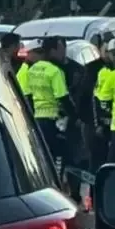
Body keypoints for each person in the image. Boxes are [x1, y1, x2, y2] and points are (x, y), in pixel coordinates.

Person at [26, 37, 80, 178]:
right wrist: (75, 116)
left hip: (37, 119)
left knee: (43, 155)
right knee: (58, 157)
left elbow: (29, 96)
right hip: (54, 120)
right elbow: (62, 97)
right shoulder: (55, 71)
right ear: (50, 52)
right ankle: (57, 184)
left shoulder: (32, 70)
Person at [80, 33, 115, 172]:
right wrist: (92, 123)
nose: (110, 54)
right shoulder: (93, 68)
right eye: (107, 50)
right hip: (95, 123)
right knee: (97, 161)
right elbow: (87, 96)